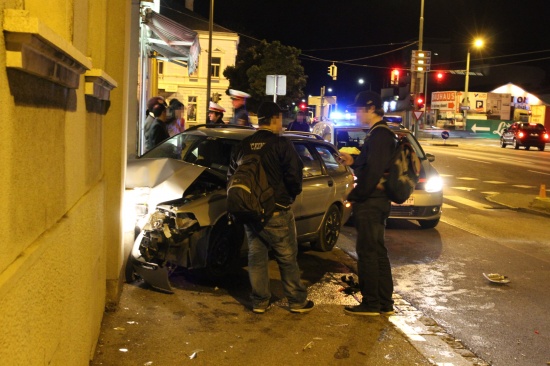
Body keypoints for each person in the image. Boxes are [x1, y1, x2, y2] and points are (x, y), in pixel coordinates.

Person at [227, 101, 314, 314]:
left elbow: (231, 177)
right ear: (275, 119)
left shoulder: (243, 145)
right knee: (286, 256)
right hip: (277, 210)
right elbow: (295, 175)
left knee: (256, 256)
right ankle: (296, 301)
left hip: (251, 211)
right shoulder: (281, 144)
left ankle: (259, 301)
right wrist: (290, 196)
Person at [337, 91, 397, 316]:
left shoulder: (380, 135)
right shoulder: (378, 134)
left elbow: (373, 174)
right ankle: (383, 302)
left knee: (369, 254)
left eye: (358, 109)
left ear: (370, 109)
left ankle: (372, 303)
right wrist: (354, 161)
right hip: (375, 201)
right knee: (377, 252)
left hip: (372, 203)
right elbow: (372, 165)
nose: (355, 113)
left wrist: (354, 196)